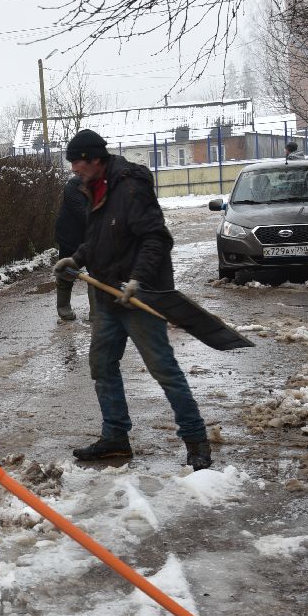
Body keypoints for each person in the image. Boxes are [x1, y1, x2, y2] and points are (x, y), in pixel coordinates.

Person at [51, 129, 212, 470]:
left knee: (163, 369)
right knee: (102, 365)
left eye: (76, 162)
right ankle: (115, 438)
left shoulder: (131, 187)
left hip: (140, 295)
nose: (73, 170)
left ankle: (196, 440)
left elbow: (157, 238)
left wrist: (138, 278)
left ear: (95, 159)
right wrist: (77, 259)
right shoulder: (94, 187)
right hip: (109, 295)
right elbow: (99, 237)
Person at [53, 156, 89, 321]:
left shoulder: (101, 185)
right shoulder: (73, 187)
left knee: (96, 273)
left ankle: (96, 312)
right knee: (67, 272)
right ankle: (63, 307)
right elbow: (84, 215)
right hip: (70, 237)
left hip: (90, 237)